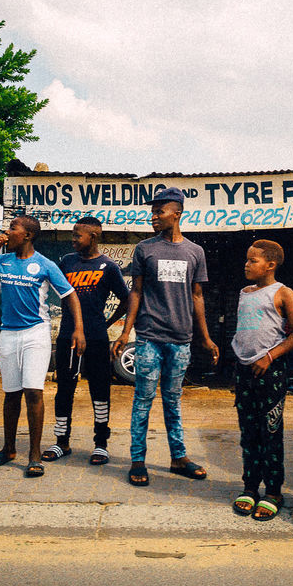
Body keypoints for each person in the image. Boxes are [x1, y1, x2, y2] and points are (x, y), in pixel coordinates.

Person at [111, 186, 220, 487]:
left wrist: (205, 337)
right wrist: (125, 331)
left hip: (181, 339)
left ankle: (178, 458)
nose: (153, 216)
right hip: (149, 337)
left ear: (178, 213)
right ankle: (137, 460)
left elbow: (197, 296)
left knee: (173, 400)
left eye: (159, 211)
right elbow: (136, 292)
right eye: (153, 211)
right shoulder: (145, 249)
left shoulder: (195, 252)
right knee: (143, 400)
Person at [0, 215, 84, 478]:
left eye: (12, 228)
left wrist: (78, 328)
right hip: (8, 334)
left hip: (36, 334)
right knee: (11, 394)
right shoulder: (2, 260)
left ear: (28, 235)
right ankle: (8, 449)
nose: (7, 232)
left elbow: (70, 295)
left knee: (33, 392)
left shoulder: (45, 264)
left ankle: (33, 455)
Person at [43, 216, 130, 465]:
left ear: (93, 236)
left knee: (99, 389)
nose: (73, 239)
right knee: (65, 389)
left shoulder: (108, 267)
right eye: (72, 235)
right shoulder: (67, 262)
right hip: (68, 336)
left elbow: (126, 299)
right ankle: (61, 441)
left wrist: (107, 323)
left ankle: (101, 444)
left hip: (96, 338)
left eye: (77, 235)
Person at [229, 240, 293, 521]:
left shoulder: (284, 293)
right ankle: (250, 487)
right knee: (248, 433)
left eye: (253, 261)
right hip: (245, 371)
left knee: (270, 433)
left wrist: (270, 356)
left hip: (271, 372)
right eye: (247, 260)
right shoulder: (244, 292)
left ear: (270, 265)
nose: (246, 265)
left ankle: (273, 491)